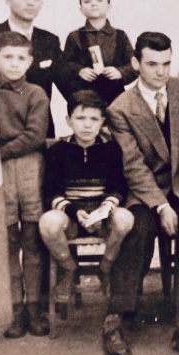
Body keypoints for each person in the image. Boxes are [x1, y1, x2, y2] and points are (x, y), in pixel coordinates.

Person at [104, 32, 179, 355]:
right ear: (136, 63)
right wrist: (161, 205)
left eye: (166, 64)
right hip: (145, 189)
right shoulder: (121, 107)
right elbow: (133, 166)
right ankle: (116, 318)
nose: (160, 72)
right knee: (140, 229)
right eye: (151, 64)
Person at [39, 90, 134, 318]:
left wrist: (105, 210)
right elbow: (52, 192)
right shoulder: (58, 151)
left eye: (94, 119)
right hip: (71, 217)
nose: (87, 125)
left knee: (125, 218)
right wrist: (75, 211)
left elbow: (118, 187)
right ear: (69, 121)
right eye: (80, 119)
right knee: (48, 222)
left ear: (102, 121)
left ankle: (106, 266)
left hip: (102, 217)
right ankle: (69, 269)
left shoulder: (111, 149)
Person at [0, 31, 51, 338]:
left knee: (31, 240)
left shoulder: (37, 93)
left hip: (29, 169)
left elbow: (35, 136)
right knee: (8, 242)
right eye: (8, 57)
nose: (14, 64)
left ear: (30, 61)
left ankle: (34, 308)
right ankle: (14, 310)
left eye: (21, 58)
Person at [0, 0, 62, 137]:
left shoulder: (49, 40)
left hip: (38, 133)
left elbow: (67, 81)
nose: (31, 2)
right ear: (8, 0)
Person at [57, 0, 137, 105]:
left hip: (116, 98)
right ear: (81, 9)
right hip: (85, 98)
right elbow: (65, 65)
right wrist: (80, 70)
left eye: (99, 0)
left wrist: (120, 72)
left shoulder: (120, 36)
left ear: (108, 6)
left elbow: (134, 65)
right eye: (87, 1)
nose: (93, 4)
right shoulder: (75, 36)